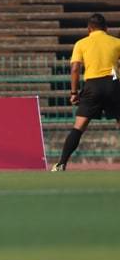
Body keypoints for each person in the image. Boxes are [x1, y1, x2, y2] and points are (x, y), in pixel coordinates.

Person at [52, 13, 120, 171]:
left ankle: (61, 163)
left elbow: (75, 68)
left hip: (92, 86)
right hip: (114, 85)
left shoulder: (81, 43)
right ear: (106, 28)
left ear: (89, 29)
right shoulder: (116, 42)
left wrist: (74, 93)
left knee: (78, 127)